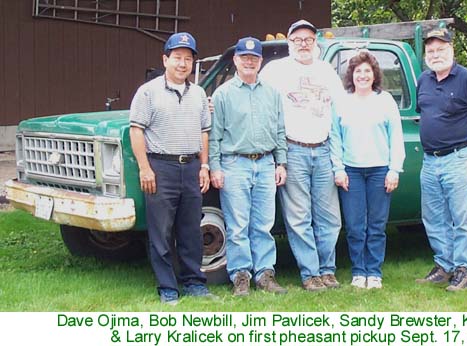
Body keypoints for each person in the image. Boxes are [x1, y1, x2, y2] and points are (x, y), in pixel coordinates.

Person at [129, 32, 214, 305]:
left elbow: (204, 133)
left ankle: (194, 282)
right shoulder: (148, 92)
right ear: (165, 59)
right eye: (177, 57)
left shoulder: (199, 93)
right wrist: (145, 168)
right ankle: (168, 288)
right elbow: (136, 131)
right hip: (160, 168)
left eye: (188, 59)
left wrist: (204, 166)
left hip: (190, 167)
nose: (182, 63)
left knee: (190, 230)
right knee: (161, 231)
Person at [260, 19, 345, 291]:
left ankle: (328, 269)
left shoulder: (327, 71)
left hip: (323, 148)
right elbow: (259, 103)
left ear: (316, 43)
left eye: (308, 39)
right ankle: (310, 273)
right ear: (289, 42)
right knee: (299, 217)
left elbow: (341, 111)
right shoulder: (275, 70)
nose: (303, 44)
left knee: (330, 217)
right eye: (297, 40)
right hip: (292, 149)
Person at [415, 28, 467, 291]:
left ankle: (463, 269)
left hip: (460, 158)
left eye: (441, 49)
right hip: (430, 161)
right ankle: (443, 266)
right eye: (431, 51)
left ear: (452, 50)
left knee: (462, 218)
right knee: (434, 217)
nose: (436, 54)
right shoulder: (424, 81)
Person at [209, 37, 288, 296]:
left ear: (260, 62)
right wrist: (215, 167)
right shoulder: (222, 94)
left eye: (254, 59)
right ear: (236, 60)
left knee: (264, 224)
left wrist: (281, 162)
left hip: (266, 163)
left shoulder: (272, 93)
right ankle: (241, 275)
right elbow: (215, 135)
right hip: (234, 164)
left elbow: (279, 130)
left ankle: (265, 274)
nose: (249, 62)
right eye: (244, 58)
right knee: (237, 225)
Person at [330, 51, 405, 289]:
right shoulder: (341, 101)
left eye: (367, 71)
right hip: (351, 171)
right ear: (351, 75)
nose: (362, 75)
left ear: (374, 75)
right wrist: (338, 168)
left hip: (379, 171)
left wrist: (394, 170)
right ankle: (358, 271)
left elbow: (396, 137)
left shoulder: (385, 101)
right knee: (354, 226)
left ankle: (374, 272)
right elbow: (335, 137)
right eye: (358, 71)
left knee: (376, 226)